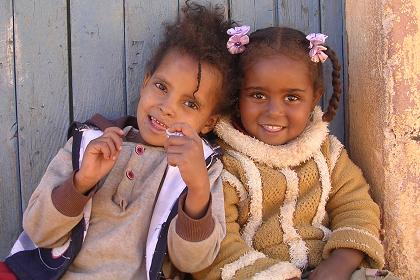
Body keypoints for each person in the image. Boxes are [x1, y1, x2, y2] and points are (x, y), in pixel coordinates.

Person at [4, 2, 239, 279]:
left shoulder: (204, 169)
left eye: (189, 103)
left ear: (209, 122)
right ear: (145, 82)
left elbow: (192, 262)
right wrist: (82, 182)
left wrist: (198, 191)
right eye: (161, 87)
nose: (166, 107)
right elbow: (38, 229)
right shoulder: (92, 143)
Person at [195, 26, 397, 280]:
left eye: (291, 98)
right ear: (237, 95)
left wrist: (340, 263)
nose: (274, 111)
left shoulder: (328, 153)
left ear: (314, 99)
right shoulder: (223, 163)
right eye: (258, 95)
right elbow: (219, 244)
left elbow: (357, 206)